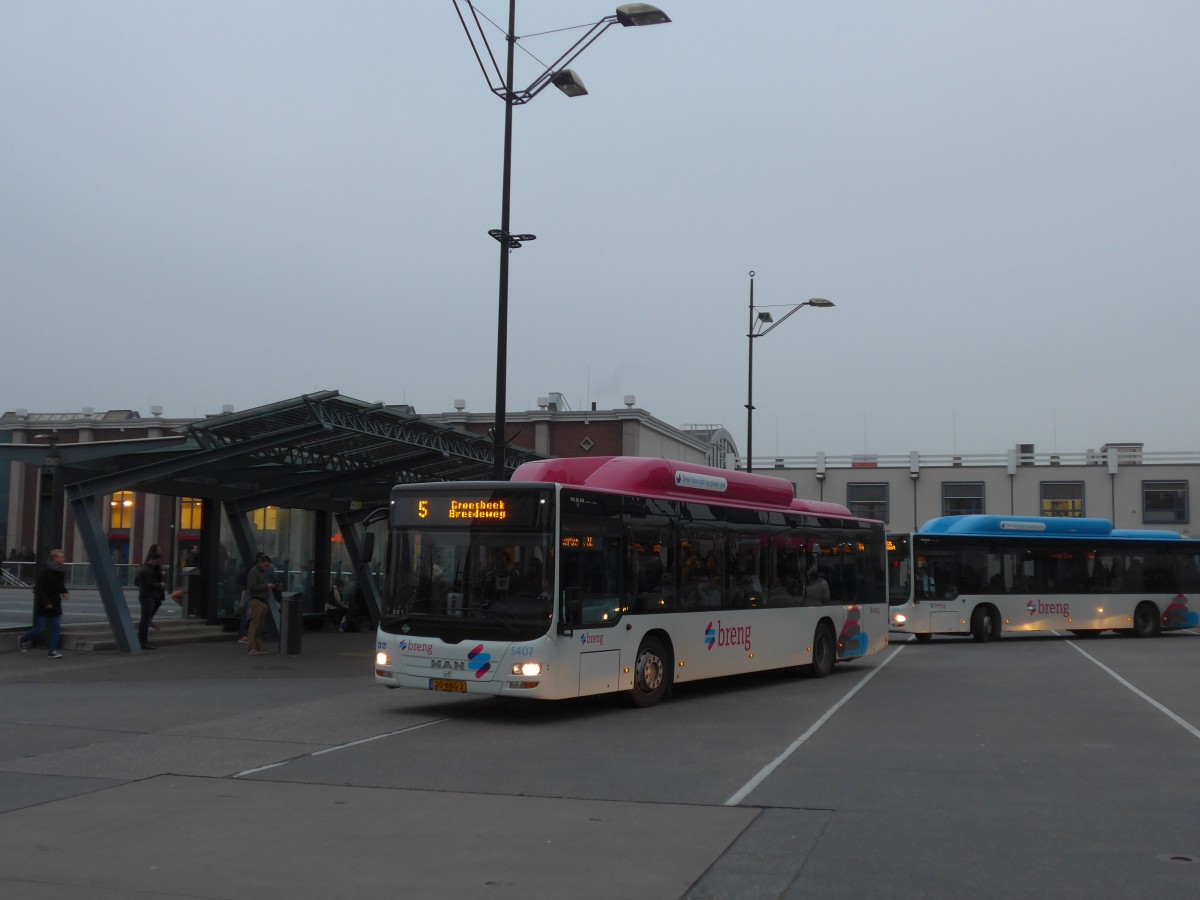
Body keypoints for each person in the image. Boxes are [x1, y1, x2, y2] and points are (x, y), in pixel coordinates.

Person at [18, 549, 70, 658]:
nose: (63, 559)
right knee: (40, 628)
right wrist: (46, 602)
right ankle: (22, 639)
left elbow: (60, 585)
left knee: (56, 627)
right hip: (43, 604)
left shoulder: (61, 571)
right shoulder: (46, 571)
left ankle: (52, 651)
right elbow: (38, 589)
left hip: (55, 603)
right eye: (61, 557)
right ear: (55, 558)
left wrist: (65, 592)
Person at [245, 553, 280, 655]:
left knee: (259, 626)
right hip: (256, 600)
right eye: (266, 565)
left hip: (262, 601)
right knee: (255, 625)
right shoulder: (254, 572)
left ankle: (257, 646)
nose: (267, 567)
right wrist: (266, 586)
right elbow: (251, 587)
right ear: (261, 562)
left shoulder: (260, 571)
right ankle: (251, 646)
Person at [135, 546, 166, 650]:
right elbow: (150, 584)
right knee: (145, 620)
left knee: (145, 619)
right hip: (148, 596)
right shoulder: (148, 570)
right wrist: (159, 585)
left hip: (146, 595)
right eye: (155, 561)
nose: (156, 563)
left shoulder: (145, 569)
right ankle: (143, 642)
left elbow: (136, 582)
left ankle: (143, 641)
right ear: (152, 560)